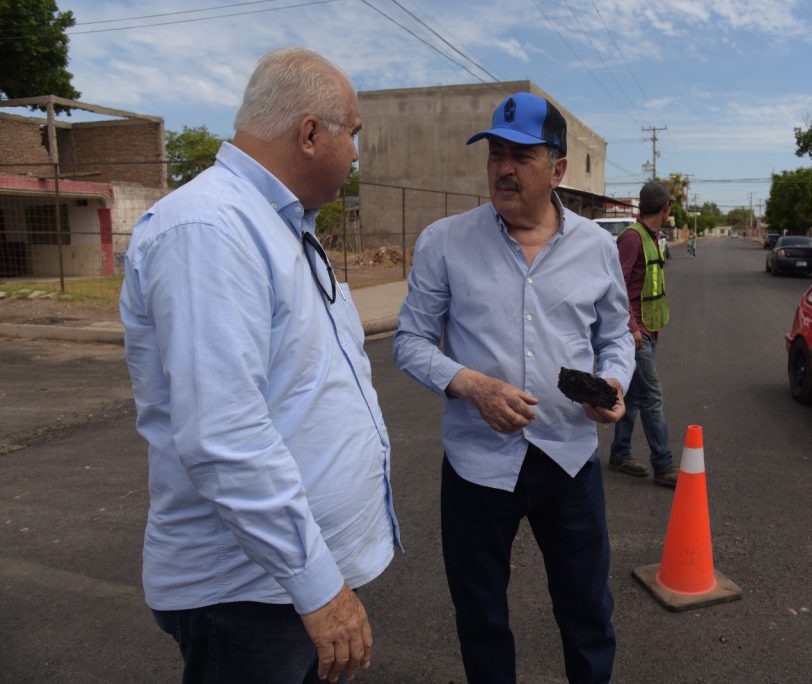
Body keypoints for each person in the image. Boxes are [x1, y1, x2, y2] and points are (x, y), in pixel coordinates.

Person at [119, 48, 400, 684]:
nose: (356, 154)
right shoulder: (209, 230)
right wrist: (320, 588)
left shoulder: (278, 225)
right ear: (309, 133)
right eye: (351, 134)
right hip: (249, 595)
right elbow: (224, 437)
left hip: (283, 587)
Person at [393, 91, 635, 684]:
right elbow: (409, 342)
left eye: (521, 156)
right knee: (481, 618)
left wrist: (612, 383)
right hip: (478, 466)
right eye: (495, 153)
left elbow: (617, 337)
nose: (503, 168)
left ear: (556, 170)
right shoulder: (446, 241)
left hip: (568, 459)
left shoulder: (597, 248)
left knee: (586, 612)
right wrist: (469, 384)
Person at [607, 181, 677, 487]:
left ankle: (620, 454)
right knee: (652, 398)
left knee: (634, 398)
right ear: (665, 209)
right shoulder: (633, 239)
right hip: (636, 334)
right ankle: (664, 466)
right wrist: (633, 327)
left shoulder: (651, 236)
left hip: (648, 330)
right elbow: (616, 286)